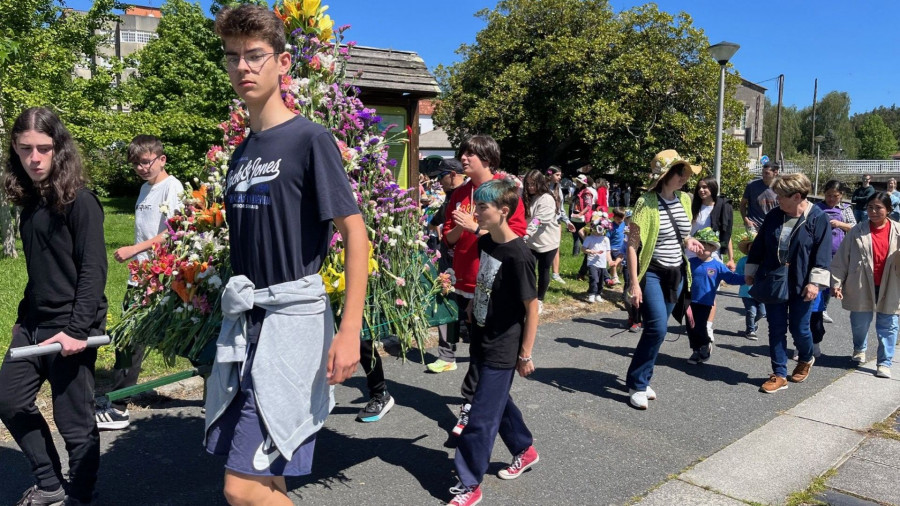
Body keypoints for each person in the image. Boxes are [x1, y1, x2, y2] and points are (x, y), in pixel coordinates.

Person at [205, 7, 367, 505]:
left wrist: (349, 330)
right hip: (248, 324)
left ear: (283, 62)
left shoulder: (309, 139)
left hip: (292, 322)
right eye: (233, 57)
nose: (243, 68)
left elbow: (356, 235)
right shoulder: (242, 151)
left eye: (255, 56)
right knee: (269, 476)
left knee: (241, 488)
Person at [0, 107, 108, 506]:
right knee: (8, 398)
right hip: (34, 325)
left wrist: (79, 330)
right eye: (25, 149)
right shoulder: (31, 204)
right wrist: (20, 320)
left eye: (44, 149)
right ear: (15, 150)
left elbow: (94, 272)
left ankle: (80, 496)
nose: (35, 158)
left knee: (74, 424)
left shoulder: (80, 202)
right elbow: (40, 272)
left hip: (71, 328)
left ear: (58, 149)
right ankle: (49, 484)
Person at [447, 180, 538, 506]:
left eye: (482, 207)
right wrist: (473, 306)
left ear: (503, 211)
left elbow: (532, 308)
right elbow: (484, 279)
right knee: (495, 403)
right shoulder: (486, 243)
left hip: (504, 345)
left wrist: (525, 354)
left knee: (481, 416)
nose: (477, 212)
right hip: (481, 336)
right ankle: (524, 449)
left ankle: (469, 484)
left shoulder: (520, 256)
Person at [95, 135, 184, 431]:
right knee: (133, 337)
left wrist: (135, 250)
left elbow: (174, 233)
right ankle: (126, 392)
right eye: (136, 163)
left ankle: (118, 407)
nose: (142, 168)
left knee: (129, 336)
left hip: (160, 275)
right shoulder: (146, 188)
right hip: (141, 273)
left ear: (162, 159)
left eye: (147, 161)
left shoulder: (172, 187)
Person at [444, 134, 526, 437]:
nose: (463, 159)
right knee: (477, 348)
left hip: (492, 283)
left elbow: (514, 237)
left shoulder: (507, 192)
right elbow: (449, 238)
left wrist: (474, 227)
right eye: (462, 153)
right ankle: (516, 438)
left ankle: (471, 407)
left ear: (487, 159)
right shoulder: (459, 192)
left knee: (484, 353)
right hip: (465, 280)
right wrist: (455, 230)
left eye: (470, 154)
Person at [624, 149, 703, 410]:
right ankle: (637, 383)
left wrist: (690, 241)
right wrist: (634, 283)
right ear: (666, 174)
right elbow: (633, 246)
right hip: (653, 273)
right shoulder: (645, 203)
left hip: (677, 272)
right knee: (657, 328)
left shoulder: (683, 199)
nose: (685, 177)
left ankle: (642, 377)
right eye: (681, 172)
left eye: (686, 173)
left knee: (656, 331)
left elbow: (683, 234)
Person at [745, 173, 831, 394]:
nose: (777, 200)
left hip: (803, 281)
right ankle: (780, 374)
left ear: (797, 196)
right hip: (774, 278)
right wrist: (752, 270)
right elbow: (760, 245)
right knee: (776, 328)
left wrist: (815, 283)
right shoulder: (775, 215)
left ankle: (805, 357)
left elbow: (823, 254)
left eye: (781, 196)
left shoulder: (817, 218)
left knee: (799, 328)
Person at [831, 192, 900, 378]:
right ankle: (859, 348)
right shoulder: (857, 230)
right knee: (859, 323)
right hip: (861, 283)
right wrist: (836, 282)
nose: (874, 211)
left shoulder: (898, 230)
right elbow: (841, 258)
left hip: (891, 285)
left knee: (889, 324)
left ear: (889, 210)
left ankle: (884, 363)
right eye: (870, 207)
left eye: (879, 208)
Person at [427, 158, 468, 374]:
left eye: (440, 177)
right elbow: (443, 213)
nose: (438, 182)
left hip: (469, 261)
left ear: (452, 174)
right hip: (449, 259)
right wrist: (432, 223)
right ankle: (447, 355)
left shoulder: (471, 193)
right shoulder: (453, 194)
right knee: (446, 301)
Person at [686, 228, 745, 364]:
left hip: (705, 302)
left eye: (704, 246)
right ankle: (695, 350)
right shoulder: (690, 262)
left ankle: (705, 344)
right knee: (690, 327)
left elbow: (731, 278)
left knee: (700, 326)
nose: (700, 249)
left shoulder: (717, 266)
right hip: (689, 301)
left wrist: (745, 279)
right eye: (698, 246)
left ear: (713, 248)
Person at [688, 177, 735, 340]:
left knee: (710, 292)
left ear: (713, 188)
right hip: (691, 253)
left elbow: (726, 235)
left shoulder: (721, 208)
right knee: (691, 291)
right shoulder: (693, 207)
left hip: (711, 254)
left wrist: (731, 257)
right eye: (700, 187)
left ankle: (707, 326)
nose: (702, 190)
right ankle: (694, 323)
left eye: (706, 187)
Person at [814, 179, 856, 325]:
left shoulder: (845, 209)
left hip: (839, 253)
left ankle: (823, 308)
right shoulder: (817, 208)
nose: (831, 199)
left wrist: (840, 224)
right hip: (819, 251)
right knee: (819, 279)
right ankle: (815, 308)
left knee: (833, 282)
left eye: (835, 196)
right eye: (828, 195)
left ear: (841, 195)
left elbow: (854, 228)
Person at [523, 169, 561, 315]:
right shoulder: (527, 197)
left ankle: (540, 299)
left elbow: (539, 219)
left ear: (540, 183)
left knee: (544, 270)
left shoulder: (546, 198)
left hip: (547, 242)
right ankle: (529, 298)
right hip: (531, 241)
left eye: (533, 184)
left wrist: (527, 233)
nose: (531, 187)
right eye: (528, 184)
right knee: (529, 270)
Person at [734, 232, 766, 339]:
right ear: (747, 249)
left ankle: (753, 323)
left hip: (761, 291)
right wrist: (744, 278)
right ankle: (750, 330)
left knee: (762, 312)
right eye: (751, 247)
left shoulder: (764, 261)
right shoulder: (743, 261)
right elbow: (738, 274)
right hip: (746, 292)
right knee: (751, 311)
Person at [740, 160, 779, 232]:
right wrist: (746, 220)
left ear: (775, 173)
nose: (764, 175)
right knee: (753, 243)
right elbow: (742, 204)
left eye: (767, 173)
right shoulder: (752, 186)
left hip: (772, 225)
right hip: (754, 225)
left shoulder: (779, 188)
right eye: (763, 172)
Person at [546, 166, 568, 284]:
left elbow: (561, 208)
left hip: (556, 221)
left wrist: (567, 221)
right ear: (550, 174)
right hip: (543, 221)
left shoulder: (558, 188)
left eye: (560, 175)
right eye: (557, 175)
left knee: (556, 246)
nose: (559, 177)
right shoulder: (542, 188)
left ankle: (555, 273)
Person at [582, 221, 612, 303]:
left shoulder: (605, 239)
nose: (599, 232)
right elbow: (583, 249)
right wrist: (591, 251)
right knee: (594, 278)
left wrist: (610, 260)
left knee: (601, 280)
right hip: (592, 262)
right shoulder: (589, 238)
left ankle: (598, 294)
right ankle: (592, 294)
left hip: (602, 264)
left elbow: (608, 251)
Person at [568, 174, 594, 256]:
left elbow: (588, 205)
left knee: (582, 235)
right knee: (575, 235)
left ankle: (588, 252)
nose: (578, 183)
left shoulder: (587, 193)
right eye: (577, 181)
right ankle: (576, 254)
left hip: (582, 217)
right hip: (575, 214)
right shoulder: (577, 191)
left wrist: (580, 214)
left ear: (583, 183)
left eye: (579, 182)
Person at [606, 208, 627, 285]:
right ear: (613, 217)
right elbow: (607, 237)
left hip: (622, 247)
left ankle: (610, 272)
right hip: (613, 248)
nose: (620, 221)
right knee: (614, 263)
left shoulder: (624, 224)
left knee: (618, 263)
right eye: (618, 219)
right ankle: (614, 278)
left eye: (622, 219)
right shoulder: (611, 226)